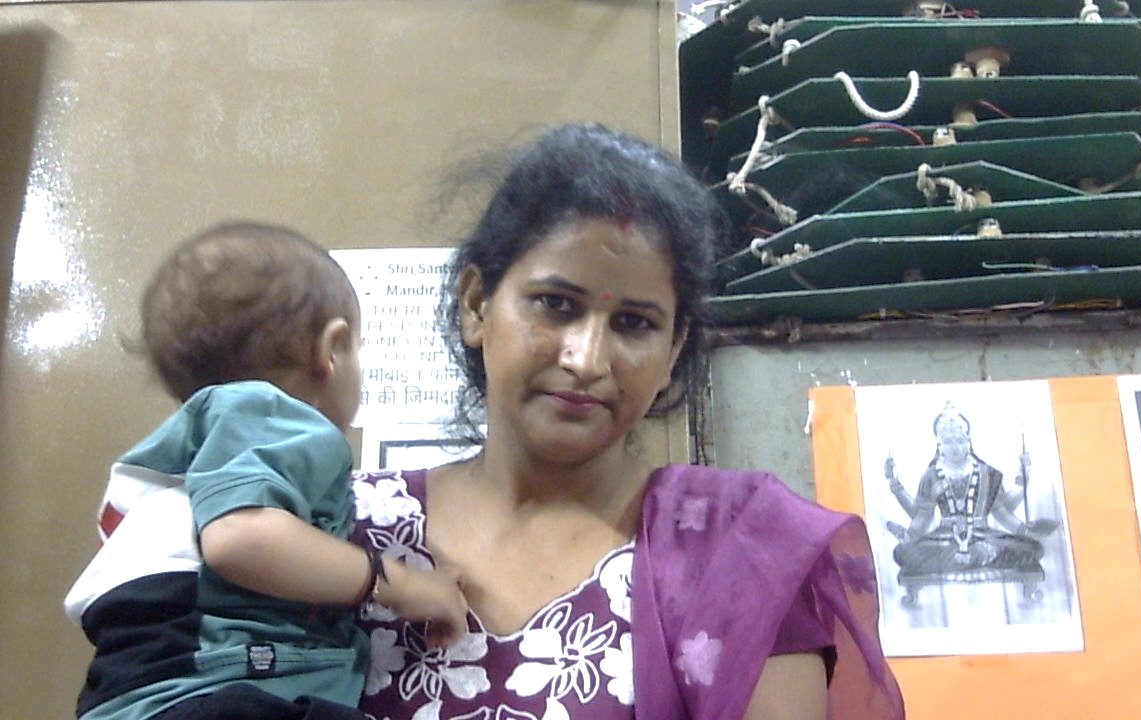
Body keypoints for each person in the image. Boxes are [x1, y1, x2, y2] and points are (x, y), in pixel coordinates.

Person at [349, 123, 904, 720]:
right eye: (556, 305)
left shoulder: (738, 559)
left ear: (673, 348)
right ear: (476, 305)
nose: (586, 360)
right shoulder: (344, 531)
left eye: (634, 324)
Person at [64, 222, 469, 720]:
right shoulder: (271, 416)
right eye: (359, 349)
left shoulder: (204, 450)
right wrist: (401, 584)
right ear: (333, 349)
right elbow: (239, 538)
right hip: (210, 694)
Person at [886, 401, 1050, 576]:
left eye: (959, 440)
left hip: (984, 537)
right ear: (939, 446)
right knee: (902, 553)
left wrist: (1021, 480)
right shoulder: (931, 475)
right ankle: (977, 557)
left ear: (968, 443)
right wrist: (895, 484)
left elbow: (1003, 512)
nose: (954, 447)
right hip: (944, 539)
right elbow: (921, 516)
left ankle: (971, 557)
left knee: (1033, 549)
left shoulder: (988, 474)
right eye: (948, 441)